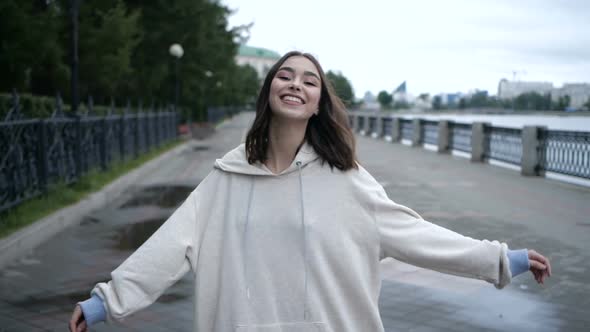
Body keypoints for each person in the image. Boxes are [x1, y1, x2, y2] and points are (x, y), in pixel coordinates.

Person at [69, 51, 551, 332]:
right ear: (269, 92)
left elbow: (418, 236)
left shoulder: (348, 181)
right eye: (285, 75)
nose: (295, 84)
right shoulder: (225, 178)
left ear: (319, 101)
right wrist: (104, 303)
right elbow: (167, 249)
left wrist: (501, 259)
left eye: (309, 80)